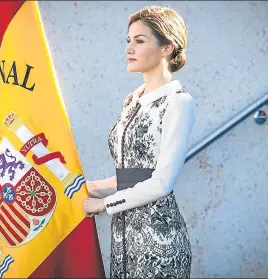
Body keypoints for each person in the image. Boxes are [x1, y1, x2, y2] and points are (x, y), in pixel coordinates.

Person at [83, 5, 195, 278]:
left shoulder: (179, 102)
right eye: (129, 40)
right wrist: (92, 187)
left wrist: (103, 205)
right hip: (122, 243)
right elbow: (133, 174)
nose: (129, 49)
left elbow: (161, 182)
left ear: (166, 47)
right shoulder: (132, 99)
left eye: (140, 41)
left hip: (159, 244)